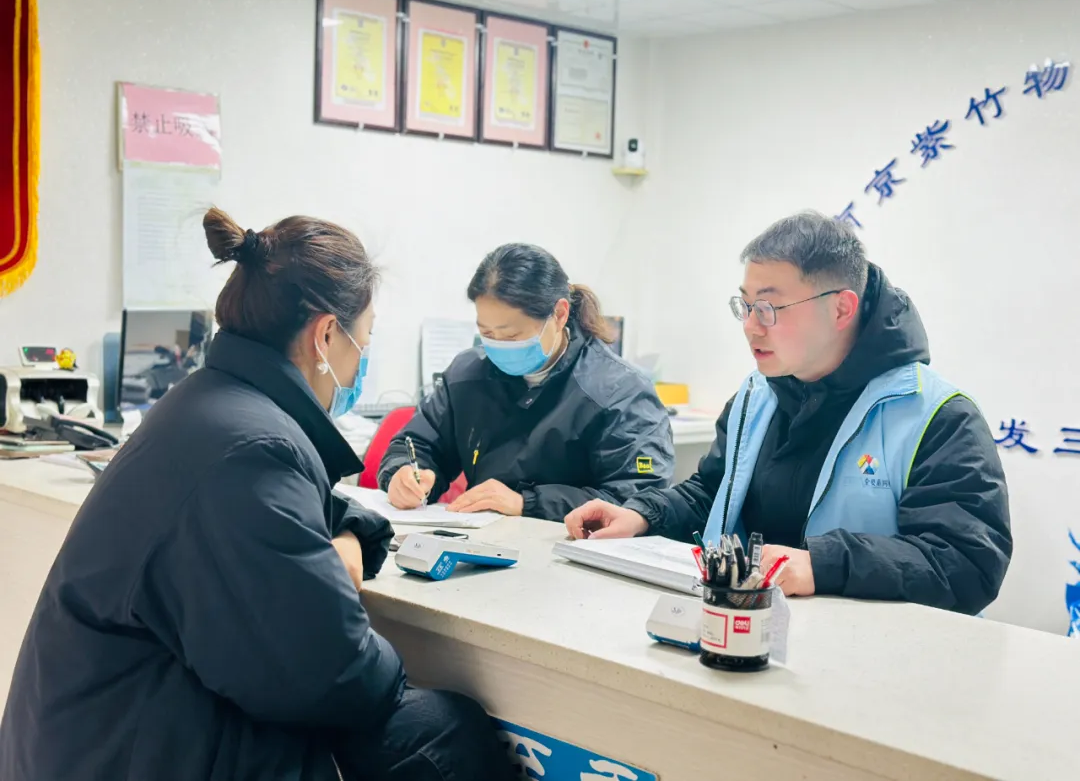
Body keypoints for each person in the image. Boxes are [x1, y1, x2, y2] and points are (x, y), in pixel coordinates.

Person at [0, 209, 515, 781]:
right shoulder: (253, 449)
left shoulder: (209, 406)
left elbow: (310, 510)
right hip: (130, 751)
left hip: (92, 738)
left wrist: (345, 537)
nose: (362, 359)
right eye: (364, 339)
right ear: (326, 336)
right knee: (447, 733)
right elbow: (341, 677)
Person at [565, 212, 1012, 615]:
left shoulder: (938, 417)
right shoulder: (757, 395)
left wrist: (824, 565)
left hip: (873, 656)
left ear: (841, 308)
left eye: (768, 308)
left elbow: (966, 564)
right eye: (745, 306)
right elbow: (714, 493)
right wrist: (643, 514)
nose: (750, 326)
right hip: (750, 634)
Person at [379, 243, 674, 521]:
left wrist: (527, 503)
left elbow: (638, 499)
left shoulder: (620, 393)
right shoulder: (467, 375)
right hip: (482, 543)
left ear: (559, 314)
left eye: (512, 335)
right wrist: (404, 474)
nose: (498, 346)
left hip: (570, 548)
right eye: (487, 333)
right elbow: (416, 443)